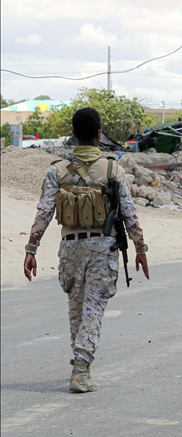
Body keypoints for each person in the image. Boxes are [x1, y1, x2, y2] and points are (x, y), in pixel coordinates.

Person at [23, 107, 150, 393]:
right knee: (93, 308)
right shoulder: (112, 169)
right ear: (97, 135)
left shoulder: (57, 170)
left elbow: (44, 212)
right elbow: (129, 213)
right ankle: (80, 369)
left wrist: (31, 248)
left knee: (76, 308)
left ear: (74, 135)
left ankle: (81, 365)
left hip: (70, 249)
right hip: (102, 248)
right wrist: (140, 248)